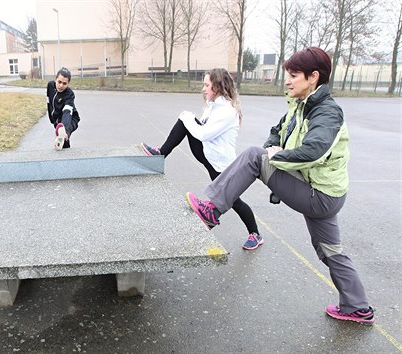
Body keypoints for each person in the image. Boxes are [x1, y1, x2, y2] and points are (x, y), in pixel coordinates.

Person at [185, 47, 375, 324]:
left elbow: (315, 150)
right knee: (330, 251)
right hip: (325, 193)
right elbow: (277, 130)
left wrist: (275, 157)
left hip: (318, 194)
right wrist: (272, 147)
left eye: (293, 75)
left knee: (253, 157)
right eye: (287, 74)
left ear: (313, 77)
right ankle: (358, 307)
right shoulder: (300, 105)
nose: (287, 80)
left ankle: (211, 210)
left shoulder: (327, 112)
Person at [141, 68, 263, 250]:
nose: (204, 89)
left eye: (207, 85)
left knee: (235, 201)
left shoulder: (227, 111)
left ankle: (255, 234)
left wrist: (187, 118)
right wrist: (188, 118)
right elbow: (202, 129)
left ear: (218, 86)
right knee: (185, 120)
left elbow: (204, 134)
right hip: (209, 155)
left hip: (222, 165)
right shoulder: (213, 105)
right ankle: (161, 153)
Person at [46, 67, 80, 150]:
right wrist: (52, 119)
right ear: (55, 79)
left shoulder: (69, 94)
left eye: (64, 83)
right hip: (58, 120)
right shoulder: (50, 86)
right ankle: (62, 139)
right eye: (59, 82)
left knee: (64, 137)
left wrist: (63, 127)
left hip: (71, 119)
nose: (61, 86)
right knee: (62, 137)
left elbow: (67, 111)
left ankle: (64, 139)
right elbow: (48, 102)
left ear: (68, 83)